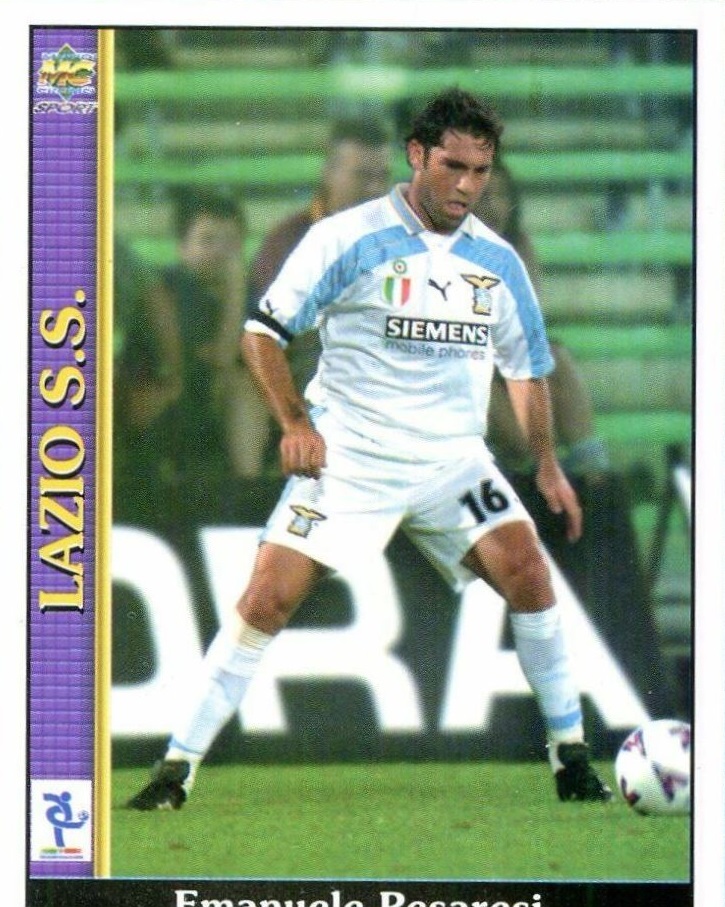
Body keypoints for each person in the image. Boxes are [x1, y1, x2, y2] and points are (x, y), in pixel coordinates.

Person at [128, 87, 612, 811]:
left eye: (480, 171)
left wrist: (545, 463)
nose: (467, 186)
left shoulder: (497, 260)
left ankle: (570, 758)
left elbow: (525, 368)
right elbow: (261, 334)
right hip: (351, 456)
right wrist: (296, 423)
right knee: (267, 598)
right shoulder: (346, 238)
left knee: (529, 574)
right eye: (453, 166)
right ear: (416, 155)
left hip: (451, 460)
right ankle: (176, 769)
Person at [115, 189, 269, 497]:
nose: (220, 252)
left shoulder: (253, 296)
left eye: (230, 242)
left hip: (209, 401)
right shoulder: (174, 289)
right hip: (160, 398)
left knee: (247, 388)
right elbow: (219, 359)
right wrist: (235, 290)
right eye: (207, 240)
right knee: (240, 387)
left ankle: (251, 490)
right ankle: (246, 489)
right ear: (183, 247)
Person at [246, 116, 393, 415]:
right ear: (329, 173)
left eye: (383, 176)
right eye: (363, 176)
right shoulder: (287, 241)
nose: (375, 188)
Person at [476, 158, 610, 480]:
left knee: (556, 357)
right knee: (523, 440)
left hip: (505, 359)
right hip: (464, 363)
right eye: (483, 196)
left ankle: (593, 474)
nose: (493, 207)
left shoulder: (519, 247)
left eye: (501, 195)